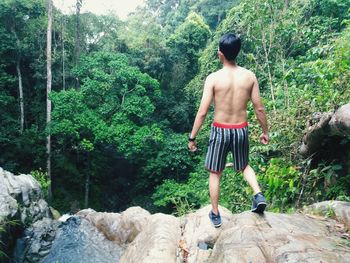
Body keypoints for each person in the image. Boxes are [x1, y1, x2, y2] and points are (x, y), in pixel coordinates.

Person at [188, 33, 269, 228]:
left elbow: (202, 112)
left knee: (215, 173)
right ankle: (258, 194)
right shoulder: (249, 76)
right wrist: (265, 131)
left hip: (220, 130)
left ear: (220, 54)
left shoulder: (213, 78)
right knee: (244, 166)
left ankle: (215, 214)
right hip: (241, 129)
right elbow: (259, 108)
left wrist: (192, 137)